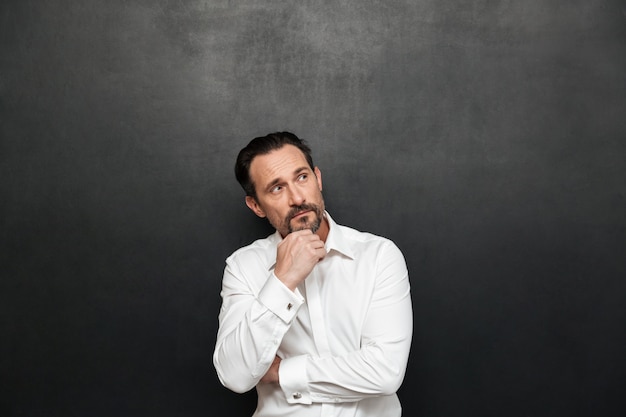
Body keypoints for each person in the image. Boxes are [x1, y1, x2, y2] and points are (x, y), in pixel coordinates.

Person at [213, 132, 413, 417]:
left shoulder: (378, 256)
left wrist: (282, 372)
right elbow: (234, 375)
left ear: (318, 179)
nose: (297, 197)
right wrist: (282, 280)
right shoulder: (244, 267)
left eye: (302, 178)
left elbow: (385, 372)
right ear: (256, 205)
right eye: (276, 188)